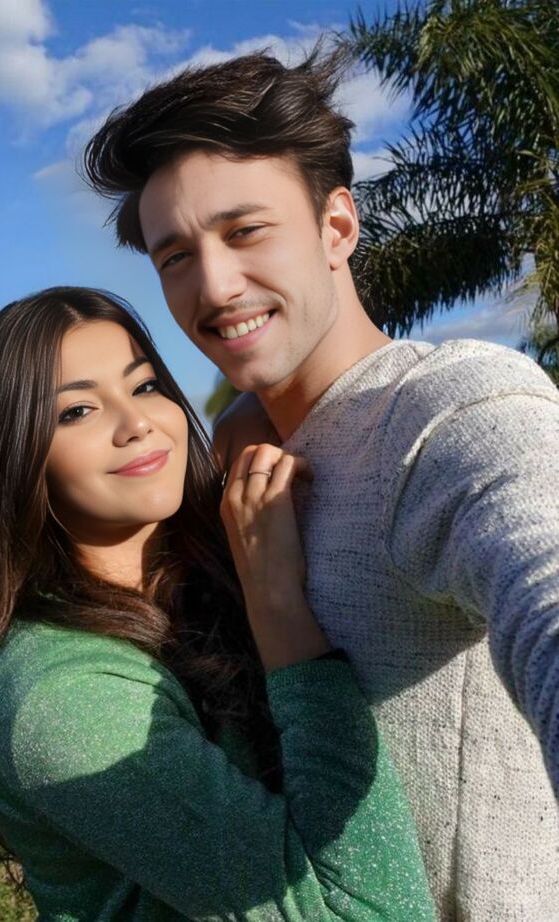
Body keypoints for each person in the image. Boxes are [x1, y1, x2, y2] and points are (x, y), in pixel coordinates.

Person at [82, 43, 559, 921]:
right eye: (175, 255)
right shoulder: (242, 450)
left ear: (337, 227)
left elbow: (543, 576)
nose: (214, 286)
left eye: (245, 231)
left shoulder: (449, 408)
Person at [0, 287, 435, 921]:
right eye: (77, 411)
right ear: (17, 457)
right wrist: (275, 600)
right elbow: (375, 912)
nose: (137, 423)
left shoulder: (195, 571)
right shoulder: (67, 699)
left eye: (143, 387)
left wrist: (250, 410)